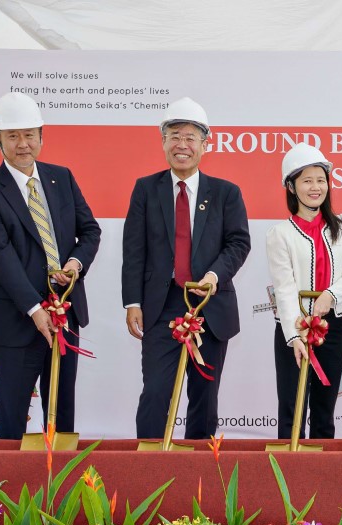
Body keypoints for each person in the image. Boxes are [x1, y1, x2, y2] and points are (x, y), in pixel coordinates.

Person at [0, 92, 101, 440]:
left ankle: (64, 487)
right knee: (12, 414)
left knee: (62, 411)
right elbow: (0, 256)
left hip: (66, 313)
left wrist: (75, 263)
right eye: (12, 136)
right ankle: (9, 490)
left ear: (42, 136)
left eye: (29, 134)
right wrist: (34, 308)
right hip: (18, 320)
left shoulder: (62, 178)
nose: (23, 144)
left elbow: (89, 231)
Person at [123, 98, 250, 440]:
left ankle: (199, 475)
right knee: (155, 394)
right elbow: (133, 249)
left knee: (204, 399)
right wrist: (132, 302)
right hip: (161, 308)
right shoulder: (146, 189)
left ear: (206, 145)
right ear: (162, 141)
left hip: (210, 306)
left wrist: (212, 276)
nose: (182, 144)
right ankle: (147, 470)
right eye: (174, 135)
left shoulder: (226, 193)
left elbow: (238, 243)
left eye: (191, 137)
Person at [265, 144, 342, 439]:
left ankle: (322, 477)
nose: (315, 187)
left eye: (321, 180)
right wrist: (294, 337)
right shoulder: (279, 234)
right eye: (306, 180)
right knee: (292, 410)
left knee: (324, 411)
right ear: (291, 187)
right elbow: (284, 288)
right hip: (293, 328)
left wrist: (330, 294)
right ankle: (286, 476)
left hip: (333, 327)